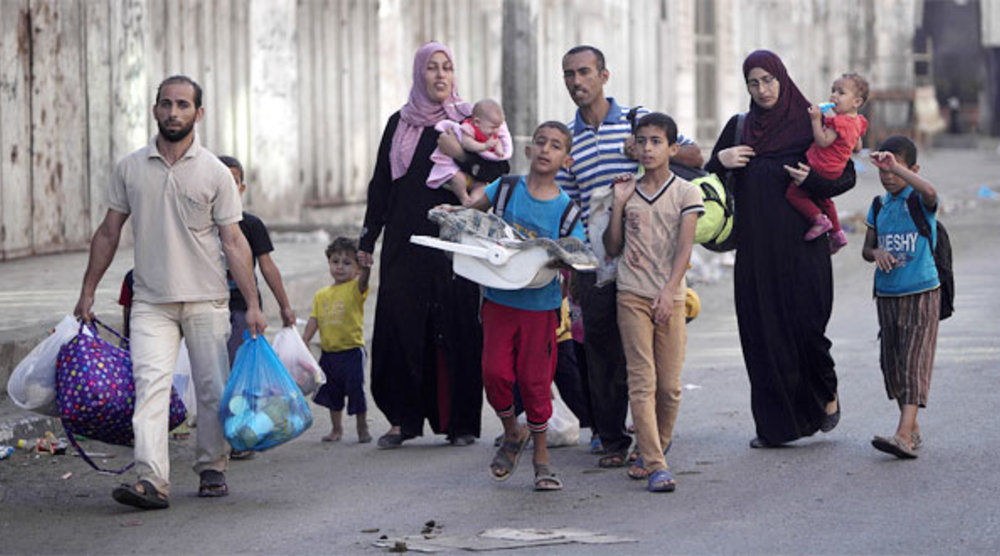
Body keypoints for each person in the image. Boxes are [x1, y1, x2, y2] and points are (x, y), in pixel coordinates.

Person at [73, 75, 265, 510]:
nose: (173, 112)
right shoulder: (131, 168)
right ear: (155, 110)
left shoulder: (215, 171)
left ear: (198, 114)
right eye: (166, 104)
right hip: (150, 302)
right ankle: (151, 480)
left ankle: (212, 466)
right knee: (150, 389)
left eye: (183, 105)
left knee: (212, 389)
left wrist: (253, 304)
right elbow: (108, 232)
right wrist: (87, 292)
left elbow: (234, 242)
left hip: (206, 299)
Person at [556, 44, 702, 468]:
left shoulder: (639, 123)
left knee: (654, 359)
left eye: (584, 72)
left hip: (652, 261)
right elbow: (570, 204)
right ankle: (612, 436)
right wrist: (573, 262)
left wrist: (637, 148)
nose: (576, 82)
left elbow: (692, 154)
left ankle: (654, 438)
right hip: (597, 262)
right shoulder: (569, 138)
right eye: (569, 74)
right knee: (601, 352)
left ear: (604, 75)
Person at [359, 42, 510, 449]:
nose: (440, 75)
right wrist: (367, 240)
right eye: (432, 68)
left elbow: (499, 170)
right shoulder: (400, 123)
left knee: (458, 323)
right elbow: (381, 185)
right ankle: (401, 420)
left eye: (447, 67)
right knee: (399, 322)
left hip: (455, 238)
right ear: (418, 74)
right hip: (405, 238)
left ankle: (460, 423)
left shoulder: (469, 120)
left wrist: (460, 153)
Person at [704, 50, 856, 448]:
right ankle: (775, 427)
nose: (762, 89)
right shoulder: (740, 128)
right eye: (754, 83)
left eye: (768, 80)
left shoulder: (811, 123)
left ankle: (825, 393)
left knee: (807, 328)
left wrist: (813, 182)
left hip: (804, 249)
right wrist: (720, 161)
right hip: (755, 253)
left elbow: (847, 176)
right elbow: (705, 185)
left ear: (782, 79)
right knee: (762, 335)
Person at [457, 121, 585, 491]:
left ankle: (541, 457)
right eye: (540, 142)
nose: (546, 149)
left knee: (535, 381)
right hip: (498, 299)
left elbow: (575, 253)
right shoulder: (507, 188)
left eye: (556, 145)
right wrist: (455, 211)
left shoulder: (567, 210)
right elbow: (472, 212)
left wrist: (563, 262)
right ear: (529, 150)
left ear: (567, 159)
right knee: (495, 374)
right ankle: (513, 432)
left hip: (541, 307)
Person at [603, 113, 703, 492]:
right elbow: (613, 248)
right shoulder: (629, 191)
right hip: (630, 293)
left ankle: (657, 442)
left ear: (673, 148)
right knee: (641, 381)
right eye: (641, 141)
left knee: (670, 386)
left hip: (670, 295)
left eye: (656, 141)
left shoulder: (685, 193)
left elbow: (684, 248)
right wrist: (618, 204)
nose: (647, 148)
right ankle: (656, 463)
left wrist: (668, 290)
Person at [862, 136, 940, 459]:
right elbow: (867, 249)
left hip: (921, 291)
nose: (888, 176)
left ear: (912, 169)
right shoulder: (879, 205)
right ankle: (913, 428)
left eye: (895, 169)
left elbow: (932, 193)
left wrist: (899, 169)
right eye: (884, 171)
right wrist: (877, 251)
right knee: (892, 366)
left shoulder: (919, 200)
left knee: (913, 362)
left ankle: (904, 435)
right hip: (887, 295)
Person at [218, 154, 296, 367]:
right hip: (210, 305)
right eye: (219, 180)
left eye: (232, 181)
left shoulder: (251, 225)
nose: (225, 187)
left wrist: (285, 306)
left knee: (241, 362)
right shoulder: (202, 226)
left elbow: (267, 267)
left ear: (241, 188)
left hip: (244, 305)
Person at [785, 73, 869, 253]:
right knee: (825, 200)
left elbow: (823, 141)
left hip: (821, 166)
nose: (834, 96)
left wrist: (816, 120)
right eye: (833, 91)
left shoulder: (837, 123)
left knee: (794, 194)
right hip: (836, 170)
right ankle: (837, 234)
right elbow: (858, 147)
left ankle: (818, 220)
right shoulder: (858, 122)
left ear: (856, 102)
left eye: (841, 93)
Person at [302, 237, 372, 444]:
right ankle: (336, 429)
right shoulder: (321, 294)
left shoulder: (355, 289)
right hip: (329, 353)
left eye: (347, 263)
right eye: (335, 261)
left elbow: (364, 281)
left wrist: (367, 268)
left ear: (357, 269)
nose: (340, 267)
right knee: (332, 394)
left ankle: (362, 425)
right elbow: (314, 319)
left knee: (355, 390)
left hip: (352, 351)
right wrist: (305, 339)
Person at [427, 98, 513, 206]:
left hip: (462, 208)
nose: (496, 131)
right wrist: (484, 146)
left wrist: (461, 155)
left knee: (482, 189)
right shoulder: (468, 127)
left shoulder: (469, 114)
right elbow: (467, 142)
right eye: (493, 127)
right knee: (458, 179)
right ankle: (464, 196)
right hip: (428, 202)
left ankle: (470, 204)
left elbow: (500, 171)